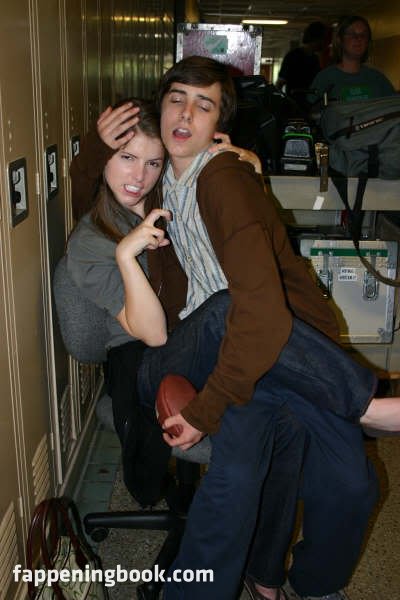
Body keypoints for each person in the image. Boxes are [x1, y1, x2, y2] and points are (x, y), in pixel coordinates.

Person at [70, 78, 399, 600]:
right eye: (126, 158)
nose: (139, 175)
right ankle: (364, 401)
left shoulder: (165, 192)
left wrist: (245, 172)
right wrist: (123, 245)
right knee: (232, 313)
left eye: (151, 163)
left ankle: (281, 579)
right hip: (159, 357)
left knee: (342, 477)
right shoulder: (99, 234)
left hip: (233, 347)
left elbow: (196, 181)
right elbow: (155, 328)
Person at [309, 15, 395, 106]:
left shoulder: (378, 78)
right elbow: (312, 110)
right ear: (340, 40)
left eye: (363, 34)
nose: (358, 38)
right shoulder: (325, 78)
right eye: (351, 34)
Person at [276, 21, 328, 114]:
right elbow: (280, 83)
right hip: (295, 107)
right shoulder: (293, 56)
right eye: (323, 39)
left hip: (311, 106)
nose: (324, 43)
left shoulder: (315, 59)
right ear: (316, 38)